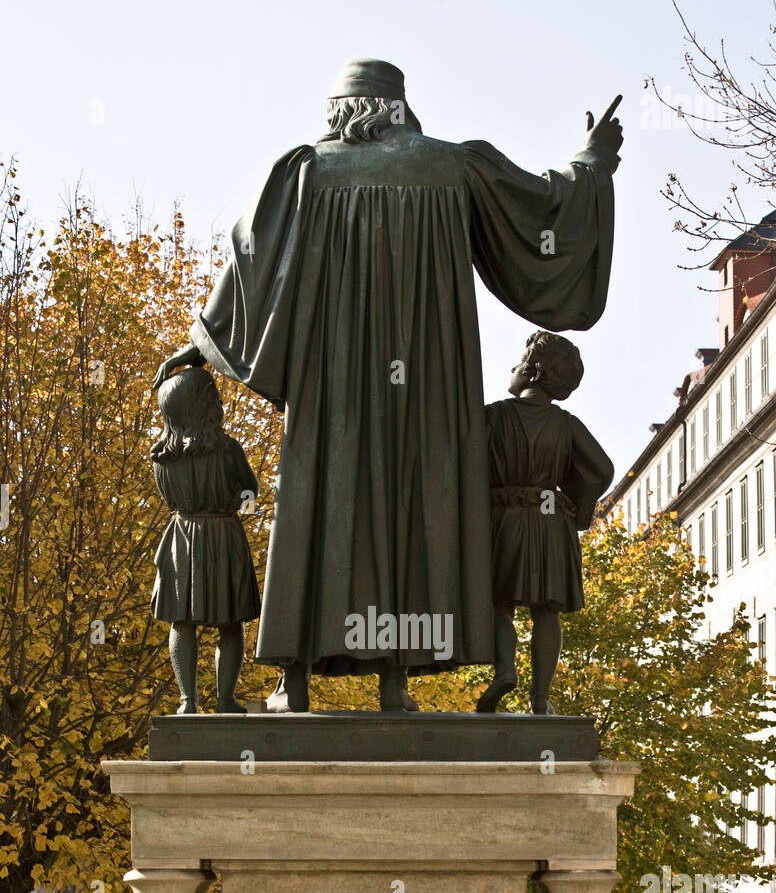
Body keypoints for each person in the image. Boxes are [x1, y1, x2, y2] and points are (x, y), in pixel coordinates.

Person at [154, 60, 623, 712]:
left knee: (323, 503)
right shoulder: (455, 167)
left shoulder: (309, 171)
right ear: (399, 108)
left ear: (346, 110)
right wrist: (592, 160)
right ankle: (396, 684)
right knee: (414, 508)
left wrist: (203, 343)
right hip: (431, 390)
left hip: (333, 384)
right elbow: (544, 213)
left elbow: (251, 257)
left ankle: (294, 681)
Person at [476, 331, 614, 715]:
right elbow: (602, 469)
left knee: (500, 604)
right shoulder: (567, 424)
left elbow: (465, 465)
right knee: (546, 610)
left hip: (502, 518)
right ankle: (541, 698)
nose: (513, 367)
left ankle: (505, 671)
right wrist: (574, 507)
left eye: (520, 361)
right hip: (551, 520)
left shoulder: (491, 415)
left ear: (534, 371)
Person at [150, 367, 260, 714]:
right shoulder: (227, 449)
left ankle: (187, 702)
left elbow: (168, 499)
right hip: (224, 534)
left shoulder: (161, 457)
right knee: (230, 621)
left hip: (182, 536)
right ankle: (225, 700)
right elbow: (250, 491)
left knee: (181, 619)